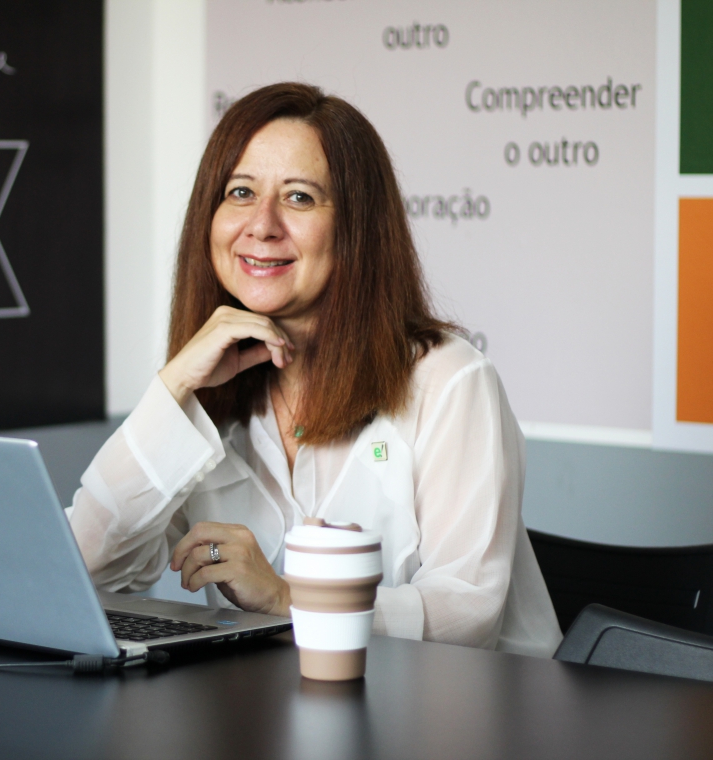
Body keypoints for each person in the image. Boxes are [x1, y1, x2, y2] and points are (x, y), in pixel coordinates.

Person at [68, 83, 562, 657]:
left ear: (357, 226)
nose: (262, 224)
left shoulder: (450, 380)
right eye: (240, 192)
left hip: (460, 703)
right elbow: (84, 567)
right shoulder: (208, 393)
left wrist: (288, 599)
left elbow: (468, 614)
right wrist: (173, 388)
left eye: (299, 197)